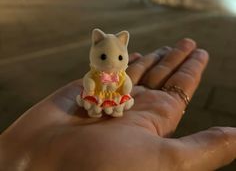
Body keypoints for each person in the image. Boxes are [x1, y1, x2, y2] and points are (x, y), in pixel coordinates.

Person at [0, 38, 235, 170]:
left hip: (113, 97)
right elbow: (89, 82)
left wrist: (123, 87)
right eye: (104, 57)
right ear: (95, 51)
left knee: (120, 100)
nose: (112, 62)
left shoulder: (122, 76)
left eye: (119, 58)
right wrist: (92, 88)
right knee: (92, 99)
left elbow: (126, 85)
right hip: (99, 96)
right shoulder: (94, 74)